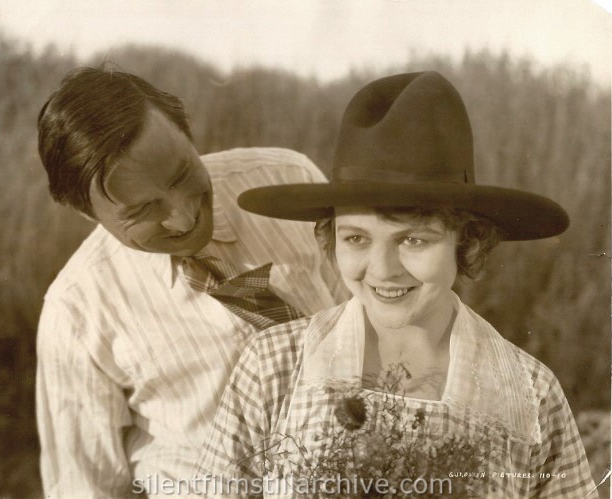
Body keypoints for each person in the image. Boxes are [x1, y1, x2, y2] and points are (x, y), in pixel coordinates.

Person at [196, 71, 596, 497]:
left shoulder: (529, 392)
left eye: (413, 239)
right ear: (331, 239)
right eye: (356, 238)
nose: (382, 269)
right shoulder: (273, 365)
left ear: (468, 240)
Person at [35, 67, 348, 498]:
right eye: (143, 209)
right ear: (90, 215)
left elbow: (383, 334)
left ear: (189, 136)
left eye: (183, 173)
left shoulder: (289, 183)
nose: (185, 215)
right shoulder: (76, 312)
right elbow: (84, 488)